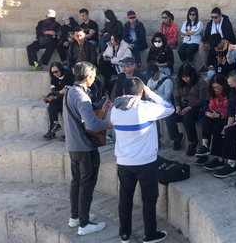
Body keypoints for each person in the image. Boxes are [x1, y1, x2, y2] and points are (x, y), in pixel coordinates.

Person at [111, 77, 174, 243]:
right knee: (149, 199)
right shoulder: (146, 107)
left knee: (125, 198)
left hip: (124, 162)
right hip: (145, 163)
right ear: (141, 92)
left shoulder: (115, 110)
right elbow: (170, 108)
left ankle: (124, 234)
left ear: (124, 92)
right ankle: (150, 234)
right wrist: (151, 93)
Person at [63, 62, 111, 236]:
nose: (94, 78)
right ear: (88, 77)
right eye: (94, 75)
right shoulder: (82, 96)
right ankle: (84, 224)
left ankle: (75, 217)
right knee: (87, 184)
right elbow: (92, 124)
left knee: (77, 182)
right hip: (85, 148)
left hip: (73, 146)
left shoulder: (70, 91)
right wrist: (109, 123)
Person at [165, 64, 207, 156]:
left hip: (196, 108)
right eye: (183, 77)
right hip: (183, 106)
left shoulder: (200, 82)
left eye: (187, 77)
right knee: (169, 115)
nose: (185, 79)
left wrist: (190, 108)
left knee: (187, 117)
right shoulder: (180, 83)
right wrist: (177, 107)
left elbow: (202, 99)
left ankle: (193, 142)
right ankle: (176, 137)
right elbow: (176, 96)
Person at [195, 74, 230, 166]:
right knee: (206, 119)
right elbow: (211, 106)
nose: (216, 90)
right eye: (214, 87)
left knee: (217, 128)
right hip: (216, 115)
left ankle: (219, 158)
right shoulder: (214, 95)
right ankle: (205, 147)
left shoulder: (230, 95)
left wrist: (219, 115)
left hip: (226, 118)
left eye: (218, 87)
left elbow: (231, 111)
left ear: (223, 85)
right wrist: (209, 113)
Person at [43, 62, 75, 139]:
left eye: (56, 71)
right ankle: (55, 125)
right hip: (59, 100)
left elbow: (66, 92)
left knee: (53, 102)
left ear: (61, 69)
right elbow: (54, 92)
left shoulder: (69, 76)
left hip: (68, 100)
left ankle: (57, 130)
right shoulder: (54, 78)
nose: (55, 74)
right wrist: (56, 94)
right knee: (51, 102)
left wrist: (56, 96)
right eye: (53, 72)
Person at [200, 7, 236, 73]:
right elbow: (206, 35)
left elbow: (229, 35)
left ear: (220, 16)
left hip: (224, 42)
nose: (214, 19)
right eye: (212, 17)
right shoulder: (210, 23)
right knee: (201, 45)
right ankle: (205, 66)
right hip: (213, 42)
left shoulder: (226, 22)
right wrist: (206, 42)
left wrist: (218, 41)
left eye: (215, 17)